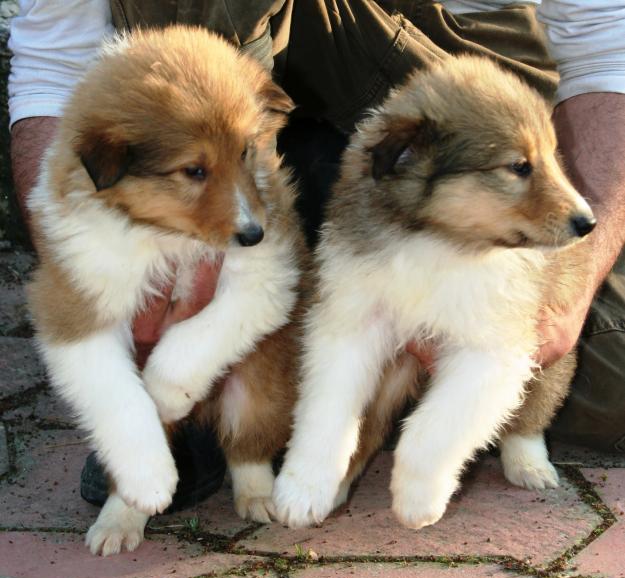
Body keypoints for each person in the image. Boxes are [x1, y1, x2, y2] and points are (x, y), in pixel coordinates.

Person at [8, 0, 625, 510]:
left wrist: (576, 275)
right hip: (231, 77)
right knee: (325, 340)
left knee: (603, 392)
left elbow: (607, 42)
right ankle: (195, 375)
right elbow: (52, 61)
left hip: (461, 81)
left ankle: (290, 216)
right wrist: (87, 267)